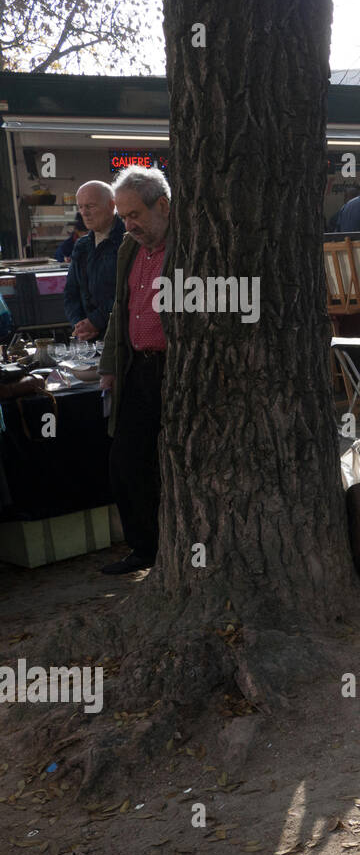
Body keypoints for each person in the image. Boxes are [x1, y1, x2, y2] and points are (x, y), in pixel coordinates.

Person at [97, 166, 174, 575]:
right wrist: (109, 365)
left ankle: (169, 547)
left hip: (174, 371)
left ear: (161, 205)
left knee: (170, 461)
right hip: (137, 370)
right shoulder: (129, 248)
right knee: (124, 461)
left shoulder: (185, 247)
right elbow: (119, 310)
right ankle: (145, 548)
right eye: (123, 217)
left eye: (135, 215)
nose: (129, 225)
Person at [63, 181, 125, 341]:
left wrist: (96, 321)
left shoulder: (128, 240)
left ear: (112, 205)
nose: (84, 213)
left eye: (90, 206)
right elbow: (71, 292)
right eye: (81, 207)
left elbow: (128, 290)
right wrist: (79, 325)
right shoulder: (82, 245)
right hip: (89, 337)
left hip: (122, 336)